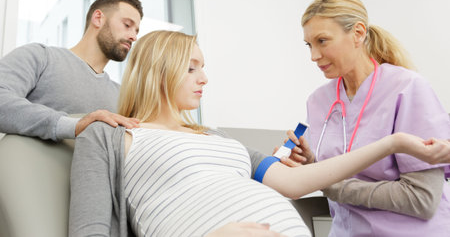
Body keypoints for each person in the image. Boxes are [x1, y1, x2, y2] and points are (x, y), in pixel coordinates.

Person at [69, 30, 444, 237]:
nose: (205, 78)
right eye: (191, 67)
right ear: (156, 69)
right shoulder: (108, 135)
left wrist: (392, 144)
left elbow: (297, 183)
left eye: (204, 67)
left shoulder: (218, 138)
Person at [294, 0, 450, 236]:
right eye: (309, 45)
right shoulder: (318, 101)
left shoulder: (407, 88)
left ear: (357, 33)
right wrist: (309, 162)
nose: (313, 56)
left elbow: (422, 198)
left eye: (322, 41)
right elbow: (329, 167)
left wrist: (328, 184)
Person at [0, 0, 142, 141]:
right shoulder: (41, 57)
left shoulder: (122, 95)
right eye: (127, 25)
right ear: (98, 18)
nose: (134, 36)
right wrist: (73, 126)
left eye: (136, 30)